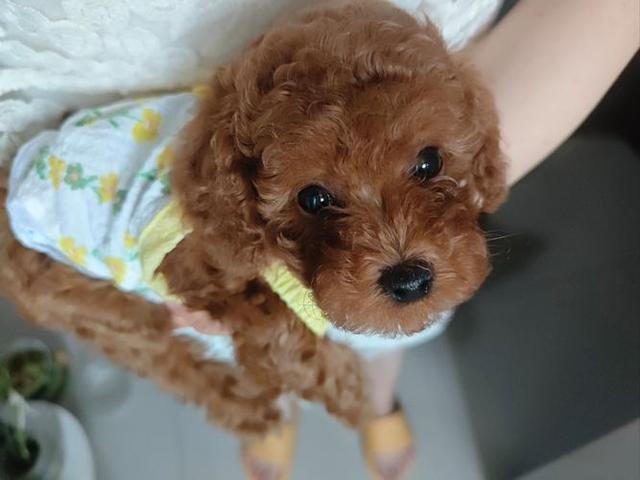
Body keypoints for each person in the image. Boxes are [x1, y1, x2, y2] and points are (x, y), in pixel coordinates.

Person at [170, 1, 638, 479]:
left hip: (465, 64)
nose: (395, 249)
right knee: (264, 345)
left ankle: (376, 400)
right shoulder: (224, 164)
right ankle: (279, 407)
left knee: (386, 345)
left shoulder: (454, 105)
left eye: (426, 166)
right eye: (317, 199)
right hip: (267, 241)